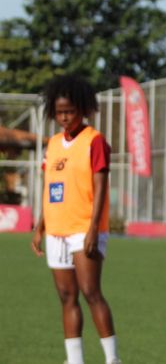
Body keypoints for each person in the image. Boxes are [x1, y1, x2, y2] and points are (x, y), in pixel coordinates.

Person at [31, 74, 121, 364]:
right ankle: (75, 360)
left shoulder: (94, 141)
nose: (64, 117)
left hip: (85, 229)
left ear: (82, 109)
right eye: (59, 112)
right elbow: (49, 186)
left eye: (69, 111)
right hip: (55, 230)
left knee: (91, 292)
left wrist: (94, 228)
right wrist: (40, 224)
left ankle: (112, 359)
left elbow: (100, 186)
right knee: (66, 297)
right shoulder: (53, 143)